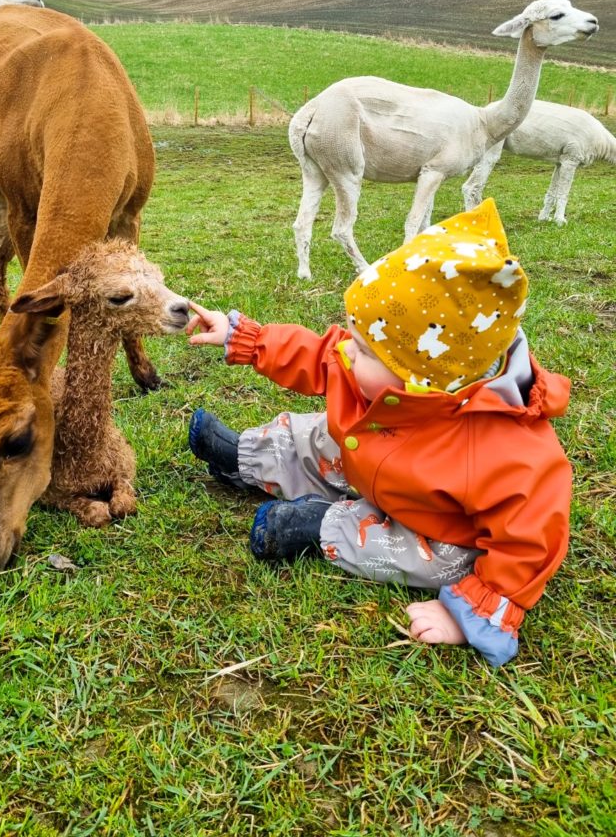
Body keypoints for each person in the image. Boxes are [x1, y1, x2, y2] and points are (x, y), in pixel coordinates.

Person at [186, 199, 572, 667]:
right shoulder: (384, 371)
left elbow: (530, 541)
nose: (348, 352)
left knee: (419, 553)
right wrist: (246, 338)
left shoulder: (508, 451)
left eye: (366, 350)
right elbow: (320, 353)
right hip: (376, 458)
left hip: (436, 523)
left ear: (422, 377)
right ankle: (246, 457)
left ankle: (317, 527)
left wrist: (474, 610)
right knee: (316, 434)